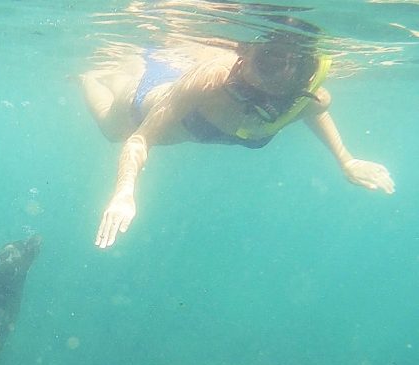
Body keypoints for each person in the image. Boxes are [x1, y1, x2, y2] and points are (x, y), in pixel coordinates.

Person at [82, 31, 395, 249]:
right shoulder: (209, 81)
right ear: (244, 55)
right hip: (147, 99)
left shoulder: (307, 99)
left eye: (299, 65)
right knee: (114, 129)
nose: (284, 75)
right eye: (271, 60)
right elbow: (138, 141)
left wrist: (346, 159)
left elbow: (314, 111)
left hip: (191, 121)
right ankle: (90, 74)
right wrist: (124, 192)